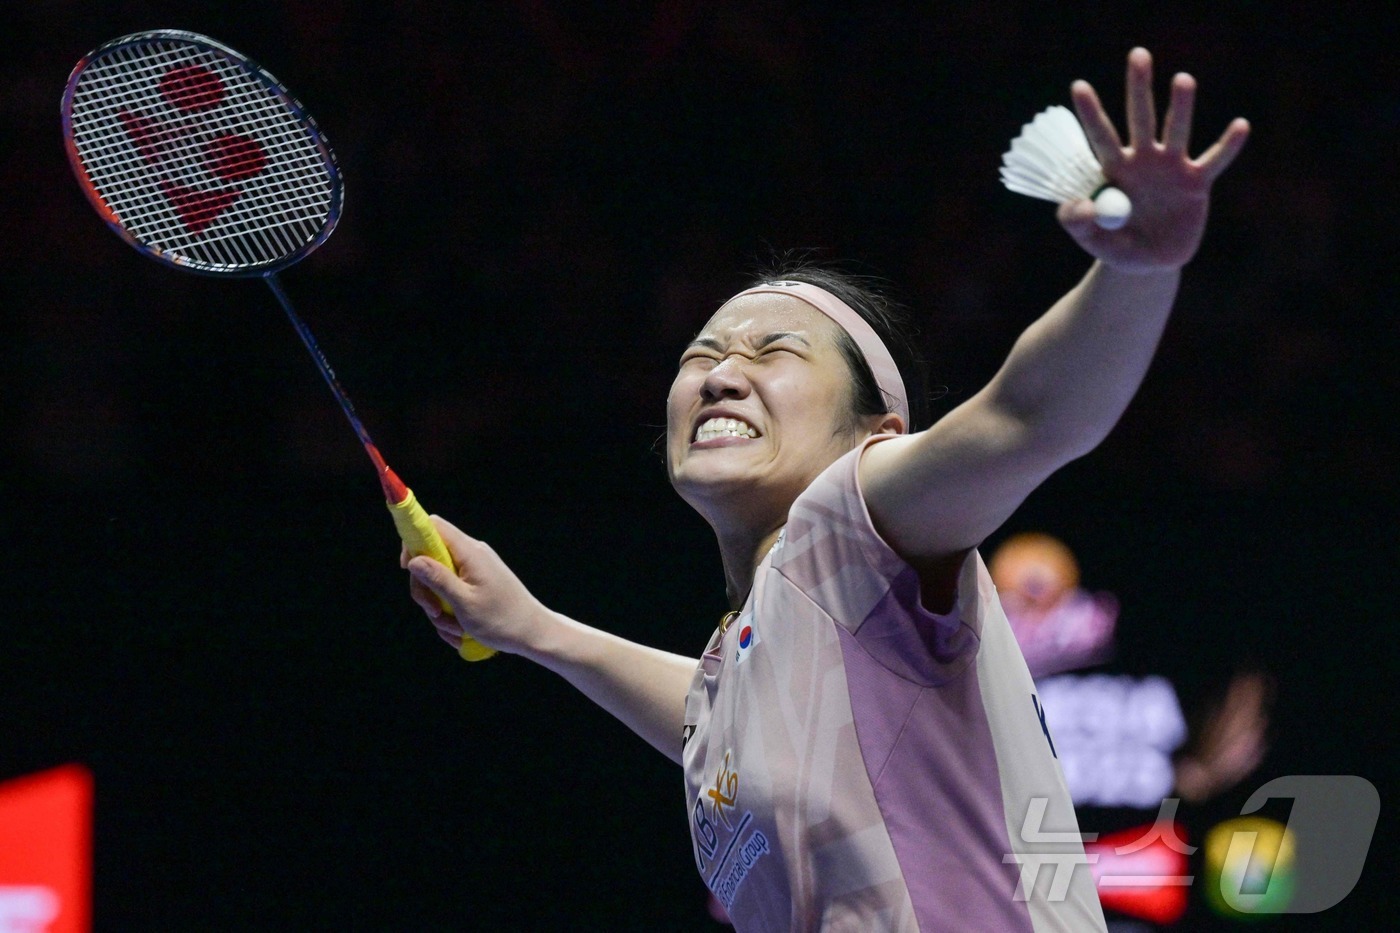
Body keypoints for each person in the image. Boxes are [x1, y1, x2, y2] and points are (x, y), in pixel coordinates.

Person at [402, 48, 1248, 930]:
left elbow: (1028, 419)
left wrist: (1137, 274)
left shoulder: (856, 514)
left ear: (876, 431)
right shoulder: (769, 639)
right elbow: (713, 715)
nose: (722, 374)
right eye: (703, 355)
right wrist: (534, 629)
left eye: (774, 353)